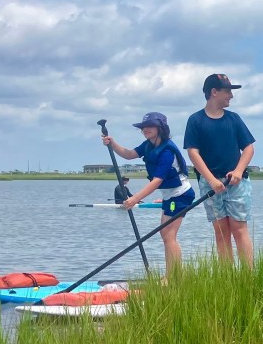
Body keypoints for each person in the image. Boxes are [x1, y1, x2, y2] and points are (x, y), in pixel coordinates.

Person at [102, 112, 194, 276]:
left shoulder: (167, 151)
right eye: (143, 127)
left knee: (169, 235)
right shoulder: (148, 145)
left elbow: (157, 180)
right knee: (165, 235)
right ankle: (172, 277)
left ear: (161, 128)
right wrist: (113, 144)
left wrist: (135, 199)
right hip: (170, 195)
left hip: (181, 194)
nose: (145, 129)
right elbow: (129, 154)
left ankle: (173, 278)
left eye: (150, 126)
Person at [184, 74, 255, 267]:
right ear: (214, 92)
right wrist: (212, 180)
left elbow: (248, 148)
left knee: (239, 228)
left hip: (236, 182)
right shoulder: (195, 120)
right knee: (221, 231)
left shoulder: (233, 119)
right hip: (210, 183)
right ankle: (227, 276)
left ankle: (249, 276)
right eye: (228, 91)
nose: (231, 96)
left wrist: (239, 171)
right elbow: (193, 153)